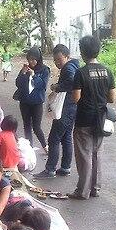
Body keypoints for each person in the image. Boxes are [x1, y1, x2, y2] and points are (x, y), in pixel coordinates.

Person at [68, 35, 116, 199]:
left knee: (84, 155)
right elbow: (112, 98)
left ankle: (83, 191)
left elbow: (76, 98)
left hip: (84, 120)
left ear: (82, 52)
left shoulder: (81, 73)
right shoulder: (107, 71)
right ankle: (95, 188)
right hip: (101, 119)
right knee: (97, 153)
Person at [35, 44, 79, 179]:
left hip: (66, 109)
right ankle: (65, 167)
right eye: (55, 60)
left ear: (67, 57)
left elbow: (71, 81)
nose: (57, 63)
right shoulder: (75, 66)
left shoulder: (69, 68)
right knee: (66, 137)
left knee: (54, 138)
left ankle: (50, 169)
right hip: (72, 108)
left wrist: (57, 86)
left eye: (59, 59)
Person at [15, 47, 50, 151]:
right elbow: (18, 83)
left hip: (37, 102)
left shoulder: (45, 70)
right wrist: (22, 73)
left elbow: (43, 85)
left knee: (36, 127)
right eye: (29, 59)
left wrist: (34, 75)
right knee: (27, 126)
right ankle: (29, 148)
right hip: (25, 101)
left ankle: (45, 146)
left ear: (38, 59)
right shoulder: (26, 68)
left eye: (33, 59)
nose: (31, 62)